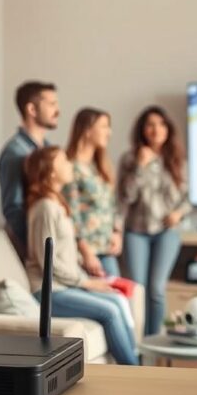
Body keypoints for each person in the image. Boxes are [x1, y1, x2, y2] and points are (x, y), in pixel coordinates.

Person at [24, 146, 138, 365]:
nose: (70, 165)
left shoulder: (56, 204)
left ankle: (136, 362)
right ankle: (135, 371)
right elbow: (47, 263)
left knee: (117, 299)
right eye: (64, 161)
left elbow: (65, 255)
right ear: (50, 171)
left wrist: (90, 278)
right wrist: (86, 283)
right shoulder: (45, 208)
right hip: (49, 292)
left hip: (65, 285)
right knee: (110, 311)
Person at [117, 106, 191, 337]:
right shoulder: (129, 159)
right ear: (142, 130)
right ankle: (136, 342)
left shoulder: (178, 160)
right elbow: (126, 197)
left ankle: (154, 340)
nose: (156, 129)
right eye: (150, 125)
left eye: (161, 124)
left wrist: (178, 213)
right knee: (138, 289)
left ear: (168, 129)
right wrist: (140, 166)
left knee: (157, 289)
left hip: (167, 231)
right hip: (136, 231)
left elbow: (189, 198)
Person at [0, 81, 59, 256]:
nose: (57, 110)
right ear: (31, 109)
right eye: (52, 104)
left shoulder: (47, 148)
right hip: (33, 250)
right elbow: (13, 208)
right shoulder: (15, 153)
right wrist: (37, 246)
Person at [63, 108, 123, 278]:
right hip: (86, 255)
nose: (109, 132)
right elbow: (71, 215)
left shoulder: (99, 167)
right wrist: (86, 253)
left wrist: (117, 233)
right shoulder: (70, 168)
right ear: (87, 130)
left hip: (106, 248)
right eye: (103, 126)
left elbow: (112, 206)